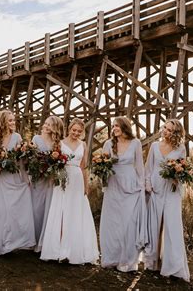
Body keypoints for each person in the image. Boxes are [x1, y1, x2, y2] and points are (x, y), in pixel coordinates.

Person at [40, 118, 99, 264]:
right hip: (63, 180)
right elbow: (55, 164)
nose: (76, 133)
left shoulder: (83, 144)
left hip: (77, 181)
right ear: (69, 129)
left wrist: (86, 186)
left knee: (75, 213)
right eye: (74, 130)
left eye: (79, 131)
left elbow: (84, 167)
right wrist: (55, 178)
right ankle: (58, 248)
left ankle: (73, 249)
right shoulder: (60, 143)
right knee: (61, 212)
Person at [0, 110, 36, 256]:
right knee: (0, 211)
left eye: (14, 120)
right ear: (2, 122)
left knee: (14, 211)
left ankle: (12, 242)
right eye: (10, 120)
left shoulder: (17, 137)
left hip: (13, 178)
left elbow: (21, 160)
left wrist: (26, 156)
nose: (13, 123)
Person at [144, 119, 190, 282]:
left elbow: (183, 169)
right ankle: (151, 262)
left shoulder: (181, 148)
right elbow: (148, 168)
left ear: (176, 133)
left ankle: (174, 266)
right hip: (155, 189)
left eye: (170, 130)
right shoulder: (155, 146)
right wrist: (148, 184)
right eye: (164, 128)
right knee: (153, 224)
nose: (165, 131)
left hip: (171, 190)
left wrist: (178, 176)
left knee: (172, 226)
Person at [99, 116, 148, 272]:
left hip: (131, 186)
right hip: (113, 185)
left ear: (125, 127)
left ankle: (127, 259)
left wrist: (142, 186)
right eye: (113, 126)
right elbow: (103, 166)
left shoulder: (136, 143)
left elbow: (140, 166)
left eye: (117, 126)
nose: (114, 129)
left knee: (128, 223)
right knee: (112, 223)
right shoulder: (108, 144)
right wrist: (102, 178)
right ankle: (111, 257)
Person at [31, 116, 64, 252]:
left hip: (50, 180)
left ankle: (44, 242)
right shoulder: (36, 139)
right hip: (38, 178)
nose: (45, 126)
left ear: (55, 128)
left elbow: (61, 162)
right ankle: (33, 239)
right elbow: (31, 159)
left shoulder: (58, 144)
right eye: (45, 123)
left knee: (49, 209)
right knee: (36, 209)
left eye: (49, 125)